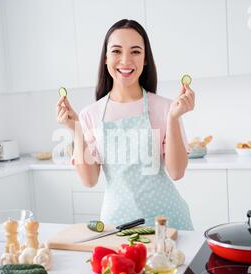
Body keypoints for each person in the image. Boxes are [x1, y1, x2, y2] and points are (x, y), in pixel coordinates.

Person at [56, 19, 195, 230]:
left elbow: (176, 172)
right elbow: (89, 179)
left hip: (167, 222)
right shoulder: (89, 115)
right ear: (105, 58)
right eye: (116, 51)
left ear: (145, 59)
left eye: (136, 51)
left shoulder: (167, 108)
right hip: (117, 223)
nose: (125, 60)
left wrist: (174, 118)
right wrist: (74, 128)